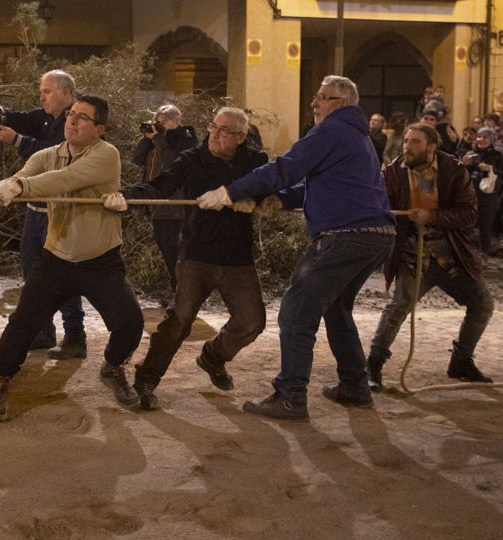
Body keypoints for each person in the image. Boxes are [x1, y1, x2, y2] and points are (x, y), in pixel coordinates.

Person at [204, 75, 396, 421]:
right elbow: (318, 184)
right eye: (316, 96)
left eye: (323, 97)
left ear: (342, 102)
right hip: (375, 234)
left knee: (296, 311)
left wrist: (231, 191)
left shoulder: (332, 130)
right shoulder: (355, 135)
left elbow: (287, 167)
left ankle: (290, 396)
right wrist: (280, 199)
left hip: (344, 235)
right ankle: (355, 386)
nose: (315, 103)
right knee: (336, 310)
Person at [0, 94, 144, 422]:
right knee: (23, 322)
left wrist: (18, 186)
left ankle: (112, 366)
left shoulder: (106, 155)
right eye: (72, 114)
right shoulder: (47, 155)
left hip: (100, 260)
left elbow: (62, 180)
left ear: (100, 128)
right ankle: (0, 378)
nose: (73, 120)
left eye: (83, 117)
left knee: (130, 323)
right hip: (56, 257)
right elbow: (19, 180)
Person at [104, 106, 271, 410]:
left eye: (224, 131)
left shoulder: (254, 161)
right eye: (213, 126)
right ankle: (146, 380)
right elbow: (162, 184)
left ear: (241, 137)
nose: (215, 134)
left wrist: (255, 199)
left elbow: (269, 188)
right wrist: (126, 197)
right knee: (179, 322)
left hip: (238, 257)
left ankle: (213, 357)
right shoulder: (192, 159)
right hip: (198, 254)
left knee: (252, 321)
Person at [367, 123, 494, 389]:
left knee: (482, 303)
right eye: (406, 142)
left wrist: (433, 216)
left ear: (432, 147)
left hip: (450, 257)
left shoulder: (453, 170)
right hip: (413, 257)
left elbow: (470, 214)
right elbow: (376, 204)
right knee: (397, 307)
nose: (407, 147)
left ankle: (461, 360)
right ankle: (373, 367)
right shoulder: (392, 173)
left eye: (415, 142)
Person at [0, 70, 86, 357]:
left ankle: (76, 335)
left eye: (47, 91)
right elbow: (21, 118)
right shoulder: (44, 117)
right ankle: (44, 330)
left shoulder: (74, 122)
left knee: (63, 274)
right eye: (41, 91)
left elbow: (56, 154)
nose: (41, 97)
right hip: (35, 210)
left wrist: (18, 141)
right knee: (32, 272)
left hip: (59, 211)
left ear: (66, 93)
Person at [131, 104, 197, 297]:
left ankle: (180, 289)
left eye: (162, 122)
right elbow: (137, 158)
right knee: (164, 244)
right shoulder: (159, 139)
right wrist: (147, 137)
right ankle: (176, 286)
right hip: (157, 200)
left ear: (175, 121)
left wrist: (158, 139)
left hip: (174, 203)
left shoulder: (185, 138)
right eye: (157, 122)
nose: (159, 126)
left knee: (173, 248)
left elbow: (172, 162)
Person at [461, 127, 503, 255]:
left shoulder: (497, 155)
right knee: (467, 224)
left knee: (485, 225)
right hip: (470, 194)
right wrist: (462, 164)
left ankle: (484, 253)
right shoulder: (470, 154)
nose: (481, 139)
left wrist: (490, 169)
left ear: (491, 139)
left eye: (485, 137)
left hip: (488, 195)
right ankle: (467, 252)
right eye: (479, 136)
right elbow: (459, 175)